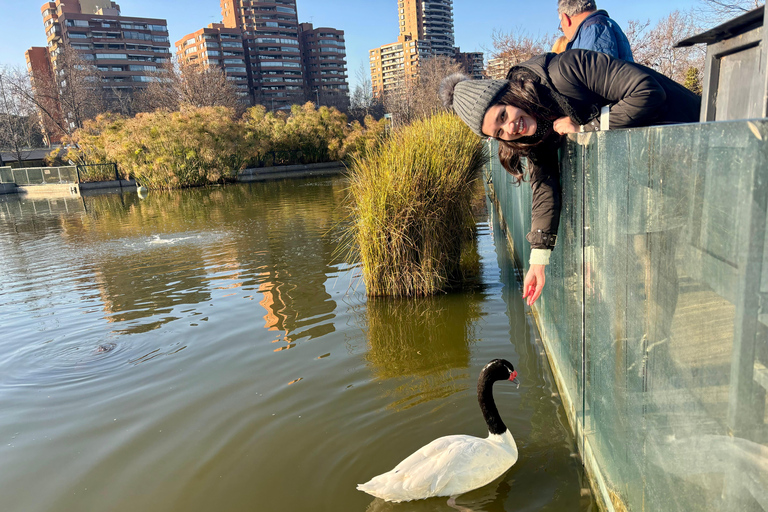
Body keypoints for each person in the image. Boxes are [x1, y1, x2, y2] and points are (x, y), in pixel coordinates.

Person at [439, 49, 700, 305]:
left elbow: (647, 91)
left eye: (503, 115)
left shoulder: (566, 69)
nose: (510, 128)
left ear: (510, 94)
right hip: (651, 170)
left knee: (656, 259)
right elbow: (545, 187)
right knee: (644, 257)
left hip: (694, 140)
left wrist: (589, 128)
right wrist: (538, 261)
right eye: (499, 131)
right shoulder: (535, 128)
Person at [558, 0, 633, 61]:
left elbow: (598, 75)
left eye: (561, 27)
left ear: (565, 19)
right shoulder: (605, 24)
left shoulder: (593, 30)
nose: (563, 31)